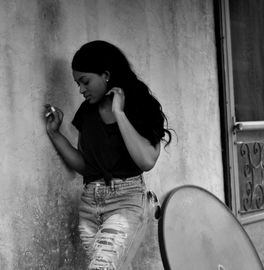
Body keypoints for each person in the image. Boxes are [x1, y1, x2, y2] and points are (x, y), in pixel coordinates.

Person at [44, 40, 171, 270]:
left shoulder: (140, 106)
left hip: (125, 203)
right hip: (90, 206)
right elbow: (85, 166)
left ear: (106, 75)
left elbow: (147, 160)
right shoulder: (86, 112)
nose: (81, 89)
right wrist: (55, 135)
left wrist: (119, 113)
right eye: (77, 84)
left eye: (85, 81)